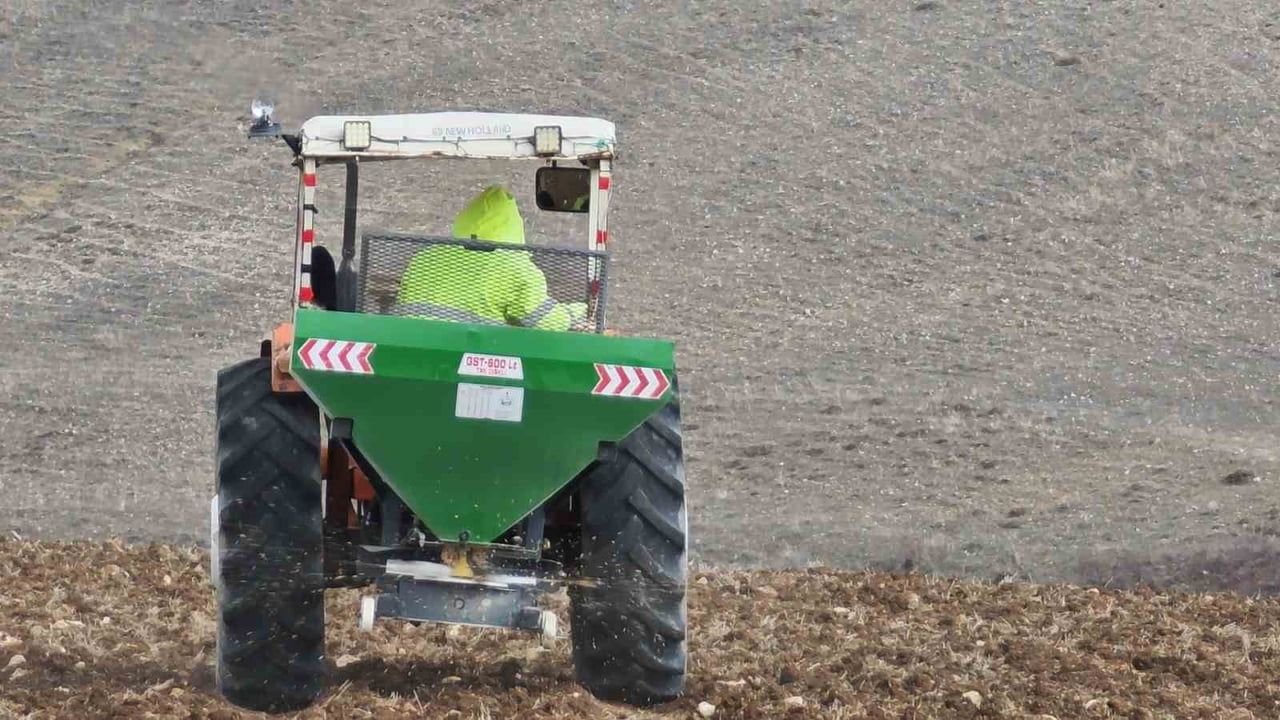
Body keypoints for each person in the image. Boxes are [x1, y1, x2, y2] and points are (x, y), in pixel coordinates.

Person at [395, 186, 588, 331]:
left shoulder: (424, 258)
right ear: (513, 226)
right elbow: (547, 323)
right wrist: (575, 313)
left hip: (413, 352)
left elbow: (401, 304)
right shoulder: (516, 270)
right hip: (472, 359)